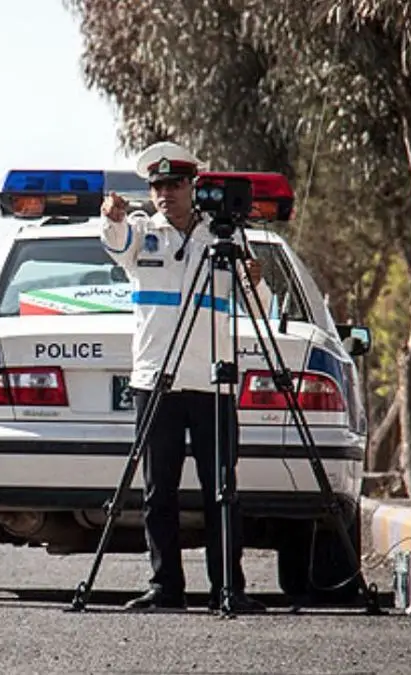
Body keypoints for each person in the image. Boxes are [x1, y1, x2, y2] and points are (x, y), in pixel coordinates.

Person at [99, 141, 273, 613]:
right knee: (159, 492)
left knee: (222, 489)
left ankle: (228, 588)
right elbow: (116, 243)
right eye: (156, 185)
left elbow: (262, 308)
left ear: (192, 185)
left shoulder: (224, 238)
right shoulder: (140, 233)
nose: (164, 193)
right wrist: (113, 217)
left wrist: (254, 279)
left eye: (173, 184)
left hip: (213, 383)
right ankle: (165, 587)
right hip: (157, 381)